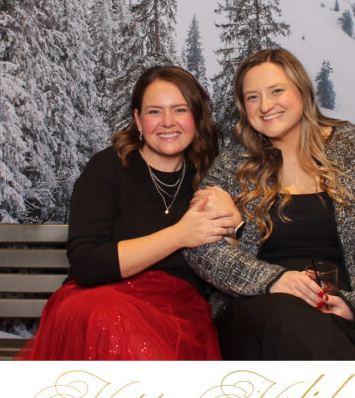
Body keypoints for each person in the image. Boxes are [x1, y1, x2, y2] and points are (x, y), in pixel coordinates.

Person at [185, 48, 355, 360]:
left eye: (277, 91)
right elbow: (200, 248)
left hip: (347, 309)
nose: (265, 106)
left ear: (302, 92)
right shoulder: (234, 165)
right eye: (252, 97)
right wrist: (273, 280)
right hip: (263, 310)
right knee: (287, 321)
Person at [17, 66, 239, 360]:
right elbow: (86, 264)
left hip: (179, 314)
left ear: (196, 117)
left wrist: (235, 227)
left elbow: (228, 270)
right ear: (138, 120)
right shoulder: (107, 168)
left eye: (180, 110)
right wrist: (178, 235)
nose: (168, 122)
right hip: (99, 301)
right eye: (155, 112)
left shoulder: (212, 177)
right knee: (110, 318)